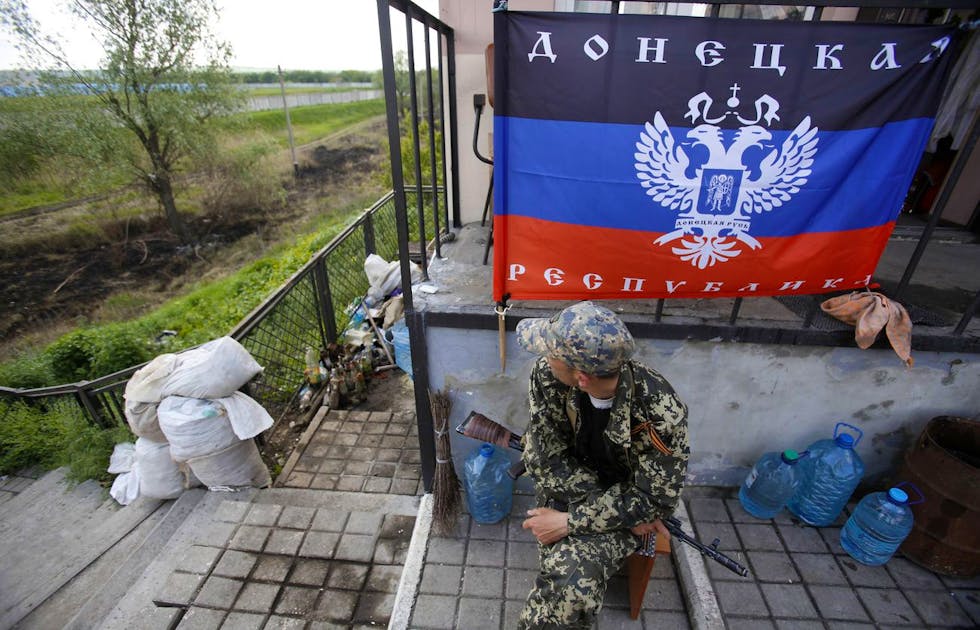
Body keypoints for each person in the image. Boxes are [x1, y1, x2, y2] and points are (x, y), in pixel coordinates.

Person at [514, 301, 689, 629]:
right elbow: (544, 458)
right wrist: (603, 515)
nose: (544, 357)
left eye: (551, 353)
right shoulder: (547, 376)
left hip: (621, 507)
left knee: (569, 585)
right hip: (584, 493)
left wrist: (570, 522)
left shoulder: (660, 414)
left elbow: (656, 499)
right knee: (561, 575)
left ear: (580, 377)